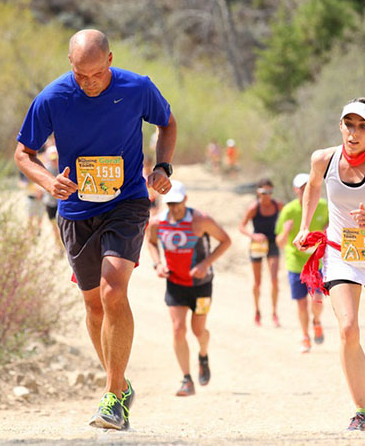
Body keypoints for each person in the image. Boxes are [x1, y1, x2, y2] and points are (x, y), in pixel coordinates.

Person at [14, 29, 176, 431]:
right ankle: (119, 385)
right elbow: (23, 153)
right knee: (93, 305)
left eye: (96, 75)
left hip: (127, 202)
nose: (88, 83)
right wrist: (48, 182)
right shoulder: (52, 97)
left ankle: (111, 395)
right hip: (75, 209)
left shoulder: (137, 87)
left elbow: (167, 123)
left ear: (109, 60)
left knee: (113, 288)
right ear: (70, 64)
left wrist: (163, 166)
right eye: (79, 75)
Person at [293, 98, 365, 432]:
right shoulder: (323, 159)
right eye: (349, 124)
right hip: (341, 253)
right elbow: (313, 187)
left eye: (362, 126)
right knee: (347, 329)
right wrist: (304, 226)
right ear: (340, 126)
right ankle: (361, 411)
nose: (354, 132)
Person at [145, 180, 231, 397]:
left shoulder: (200, 220)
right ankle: (186, 379)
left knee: (198, 330)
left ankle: (203, 355)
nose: (175, 207)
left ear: (185, 199)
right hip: (175, 283)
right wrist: (158, 264)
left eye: (178, 202)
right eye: (171, 203)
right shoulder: (158, 222)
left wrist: (205, 264)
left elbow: (225, 241)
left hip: (201, 285)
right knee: (178, 329)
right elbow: (151, 242)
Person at [275, 173, 328, 353]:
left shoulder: (323, 206)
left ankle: (317, 321)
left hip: (317, 263)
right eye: (301, 187)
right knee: (301, 303)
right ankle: (305, 336)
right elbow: (279, 242)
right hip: (295, 263)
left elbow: (332, 227)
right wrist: (286, 231)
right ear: (295, 190)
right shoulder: (288, 211)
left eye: (308, 186)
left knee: (318, 299)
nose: (305, 190)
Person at [238, 178, 283, 327]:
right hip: (257, 244)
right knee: (257, 282)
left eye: (270, 192)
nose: (267, 195)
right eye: (264, 192)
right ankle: (257, 311)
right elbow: (242, 226)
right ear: (258, 192)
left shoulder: (278, 205)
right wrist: (253, 236)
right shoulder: (254, 208)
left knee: (274, 279)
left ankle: (274, 313)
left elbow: (288, 218)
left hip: (272, 243)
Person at [42, 145, 63, 250]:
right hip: (50, 202)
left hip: (61, 203)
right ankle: (57, 244)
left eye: (56, 159)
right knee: (54, 225)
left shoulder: (62, 168)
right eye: (52, 159)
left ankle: (62, 245)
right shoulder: (46, 168)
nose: (54, 161)